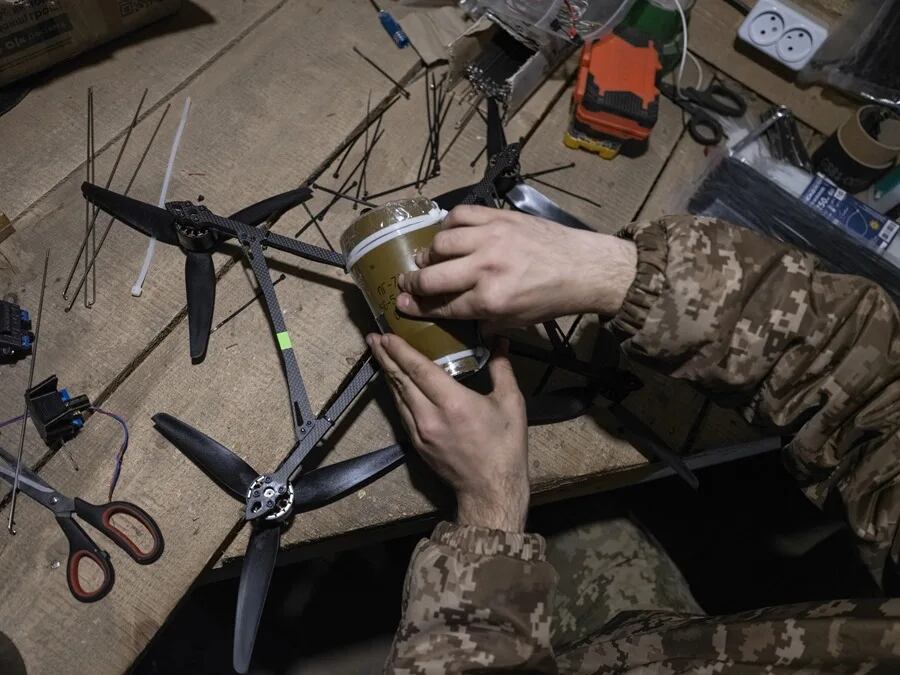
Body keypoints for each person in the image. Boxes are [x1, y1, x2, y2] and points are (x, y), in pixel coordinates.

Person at [368, 206, 900, 673]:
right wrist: (619, 275)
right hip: (668, 646)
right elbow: (878, 386)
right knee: (589, 521)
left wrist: (490, 507)